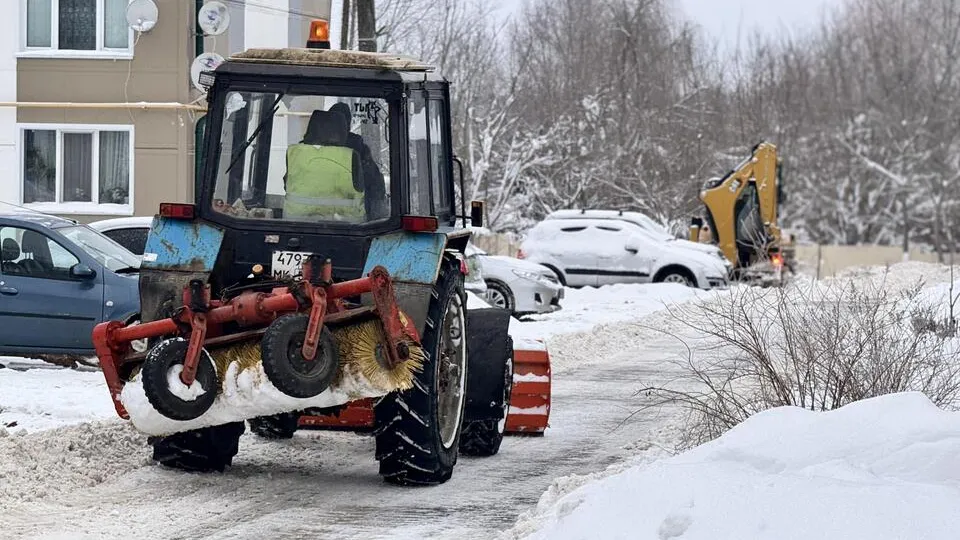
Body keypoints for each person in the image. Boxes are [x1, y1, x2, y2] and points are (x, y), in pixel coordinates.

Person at [283, 110, 365, 221]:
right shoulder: (352, 157)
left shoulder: (293, 153)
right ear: (342, 133)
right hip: (347, 231)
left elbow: (287, 185)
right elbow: (371, 189)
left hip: (294, 227)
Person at [329, 102, 389, 220]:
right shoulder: (357, 148)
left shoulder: (303, 150)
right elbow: (374, 184)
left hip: (303, 220)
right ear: (347, 124)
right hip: (352, 221)